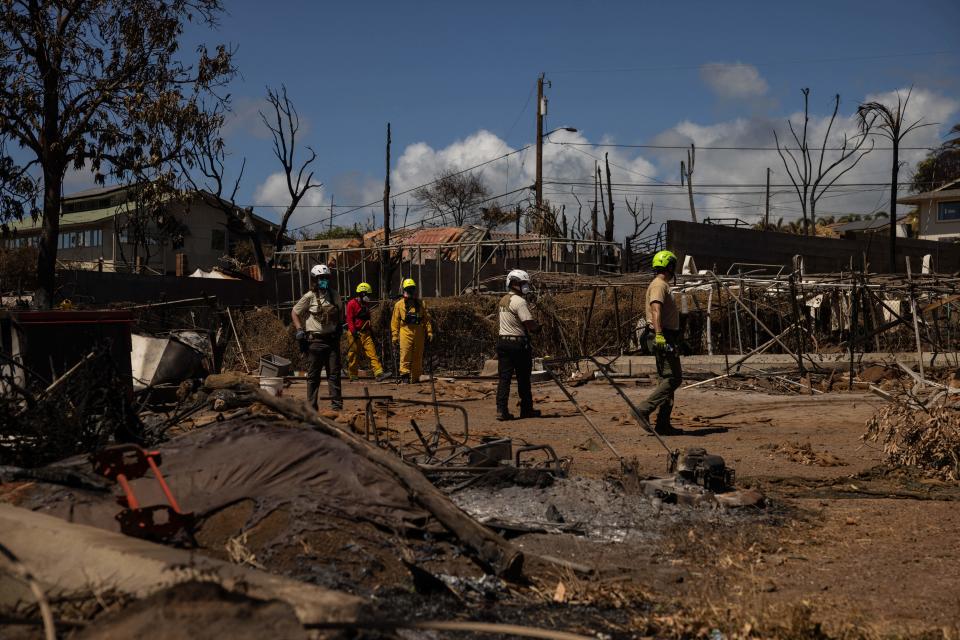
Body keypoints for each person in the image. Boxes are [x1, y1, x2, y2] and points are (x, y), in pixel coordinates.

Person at [636, 250, 683, 434]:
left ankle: (663, 424)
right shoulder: (659, 285)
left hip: (668, 335)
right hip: (662, 335)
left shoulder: (661, 285)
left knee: (666, 379)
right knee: (673, 378)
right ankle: (643, 410)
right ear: (669, 266)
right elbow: (656, 310)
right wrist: (659, 335)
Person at [291, 264, 343, 411]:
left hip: (332, 341)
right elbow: (294, 312)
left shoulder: (334, 295)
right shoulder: (309, 296)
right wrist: (299, 329)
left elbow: (340, 311)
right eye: (321, 278)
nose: (324, 281)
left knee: (334, 375)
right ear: (315, 280)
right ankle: (312, 408)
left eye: (326, 278)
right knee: (313, 376)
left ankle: (337, 407)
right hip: (315, 342)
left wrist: (339, 325)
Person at [495, 269, 541, 421]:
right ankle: (526, 409)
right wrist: (537, 328)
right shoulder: (520, 302)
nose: (525, 286)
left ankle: (501, 410)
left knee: (504, 378)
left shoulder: (503, 300)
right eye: (523, 283)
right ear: (514, 284)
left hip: (503, 342)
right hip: (518, 344)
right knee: (523, 378)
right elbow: (528, 323)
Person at [390, 278, 432, 383]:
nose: (411, 292)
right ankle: (404, 377)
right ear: (404, 290)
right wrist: (395, 336)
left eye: (412, 289)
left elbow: (426, 319)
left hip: (419, 332)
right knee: (405, 354)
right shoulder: (399, 305)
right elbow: (394, 322)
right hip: (405, 331)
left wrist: (429, 332)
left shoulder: (421, 304)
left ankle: (415, 378)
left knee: (418, 355)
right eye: (409, 290)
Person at [346, 282, 388, 382]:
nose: (368, 297)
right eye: (367, 294)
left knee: (372, 353)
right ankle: (353, 375)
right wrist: (353, 331)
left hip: (366, 333)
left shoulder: (365, 305)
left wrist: (371, 331)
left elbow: (367, 320)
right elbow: (349, 319)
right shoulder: (351, 304)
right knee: (353, 354)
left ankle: (379, 373)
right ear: (362, 294)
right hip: (355, 334)